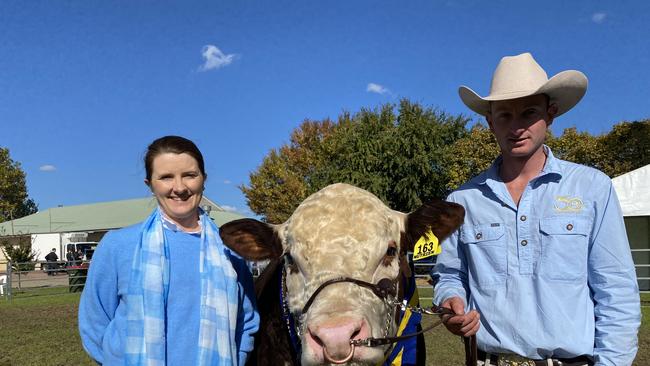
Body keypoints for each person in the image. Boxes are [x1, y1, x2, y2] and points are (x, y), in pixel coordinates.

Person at [433, 53, 640, 365]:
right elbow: (449, 274)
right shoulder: (462, 201)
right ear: (490, 122)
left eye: (529, 113)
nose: (516, 127)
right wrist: (450, 302)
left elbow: (616, 290)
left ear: (551, 113)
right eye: (504, 115)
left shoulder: (592, 188)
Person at [79, 136, 259, 365]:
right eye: (166, 177)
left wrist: (239, 357)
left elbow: (247, 321)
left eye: (189, 175)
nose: (180, 188)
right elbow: (95, 322)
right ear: (150, 184)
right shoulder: (118, 246)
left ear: (204, 179)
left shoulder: (230, 251)